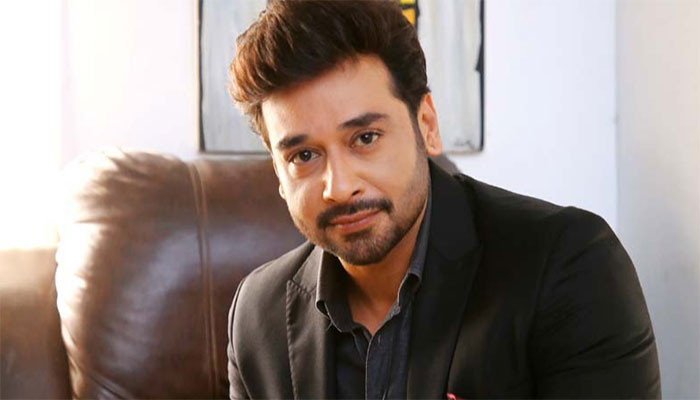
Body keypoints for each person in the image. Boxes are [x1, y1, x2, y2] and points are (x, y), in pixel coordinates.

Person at [225, 1, 660, 398]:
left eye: (365, 138)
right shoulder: (257, 315)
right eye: (303, 156)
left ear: (427, 126)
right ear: (278, 173)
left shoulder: (568, 265)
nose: (338, 187)